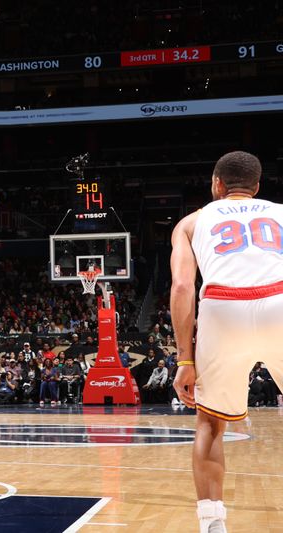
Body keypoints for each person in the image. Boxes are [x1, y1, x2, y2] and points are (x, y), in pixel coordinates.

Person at [171, 151, 283, 533]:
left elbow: (184, 286)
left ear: (217, 185)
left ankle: (212, 523)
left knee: (211, 423)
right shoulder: (281, 212)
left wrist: (185, 359)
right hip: (280, 300)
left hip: (222, 306)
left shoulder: (191, 222)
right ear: (257, 186)